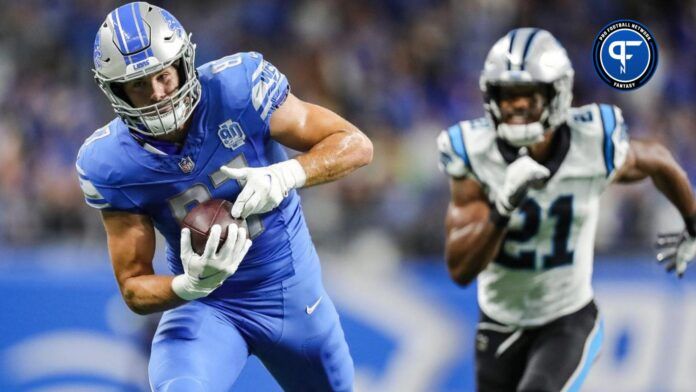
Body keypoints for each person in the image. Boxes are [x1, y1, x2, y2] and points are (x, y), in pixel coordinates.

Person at [76, 2, 373, 391]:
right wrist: (187, 287)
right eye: (138, 85)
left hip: (290, 291)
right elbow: (133, 284)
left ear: (183, 62)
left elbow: (355, 144)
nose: (158, 94)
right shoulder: (109, 163)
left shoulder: (238, 88)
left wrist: (288, 173)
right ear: (116, 91)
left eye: (163, 75)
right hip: (206, 305)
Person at [437, 28, 696, 392]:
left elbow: (659, 160)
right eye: (507, 96)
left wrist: (693, 225)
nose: (515, 108)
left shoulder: (590, 144)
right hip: (498, 324)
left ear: (556, 94)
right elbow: (460, 269)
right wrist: (501, 207)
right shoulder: (474, 151)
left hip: (566, 317)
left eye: (528, 96)